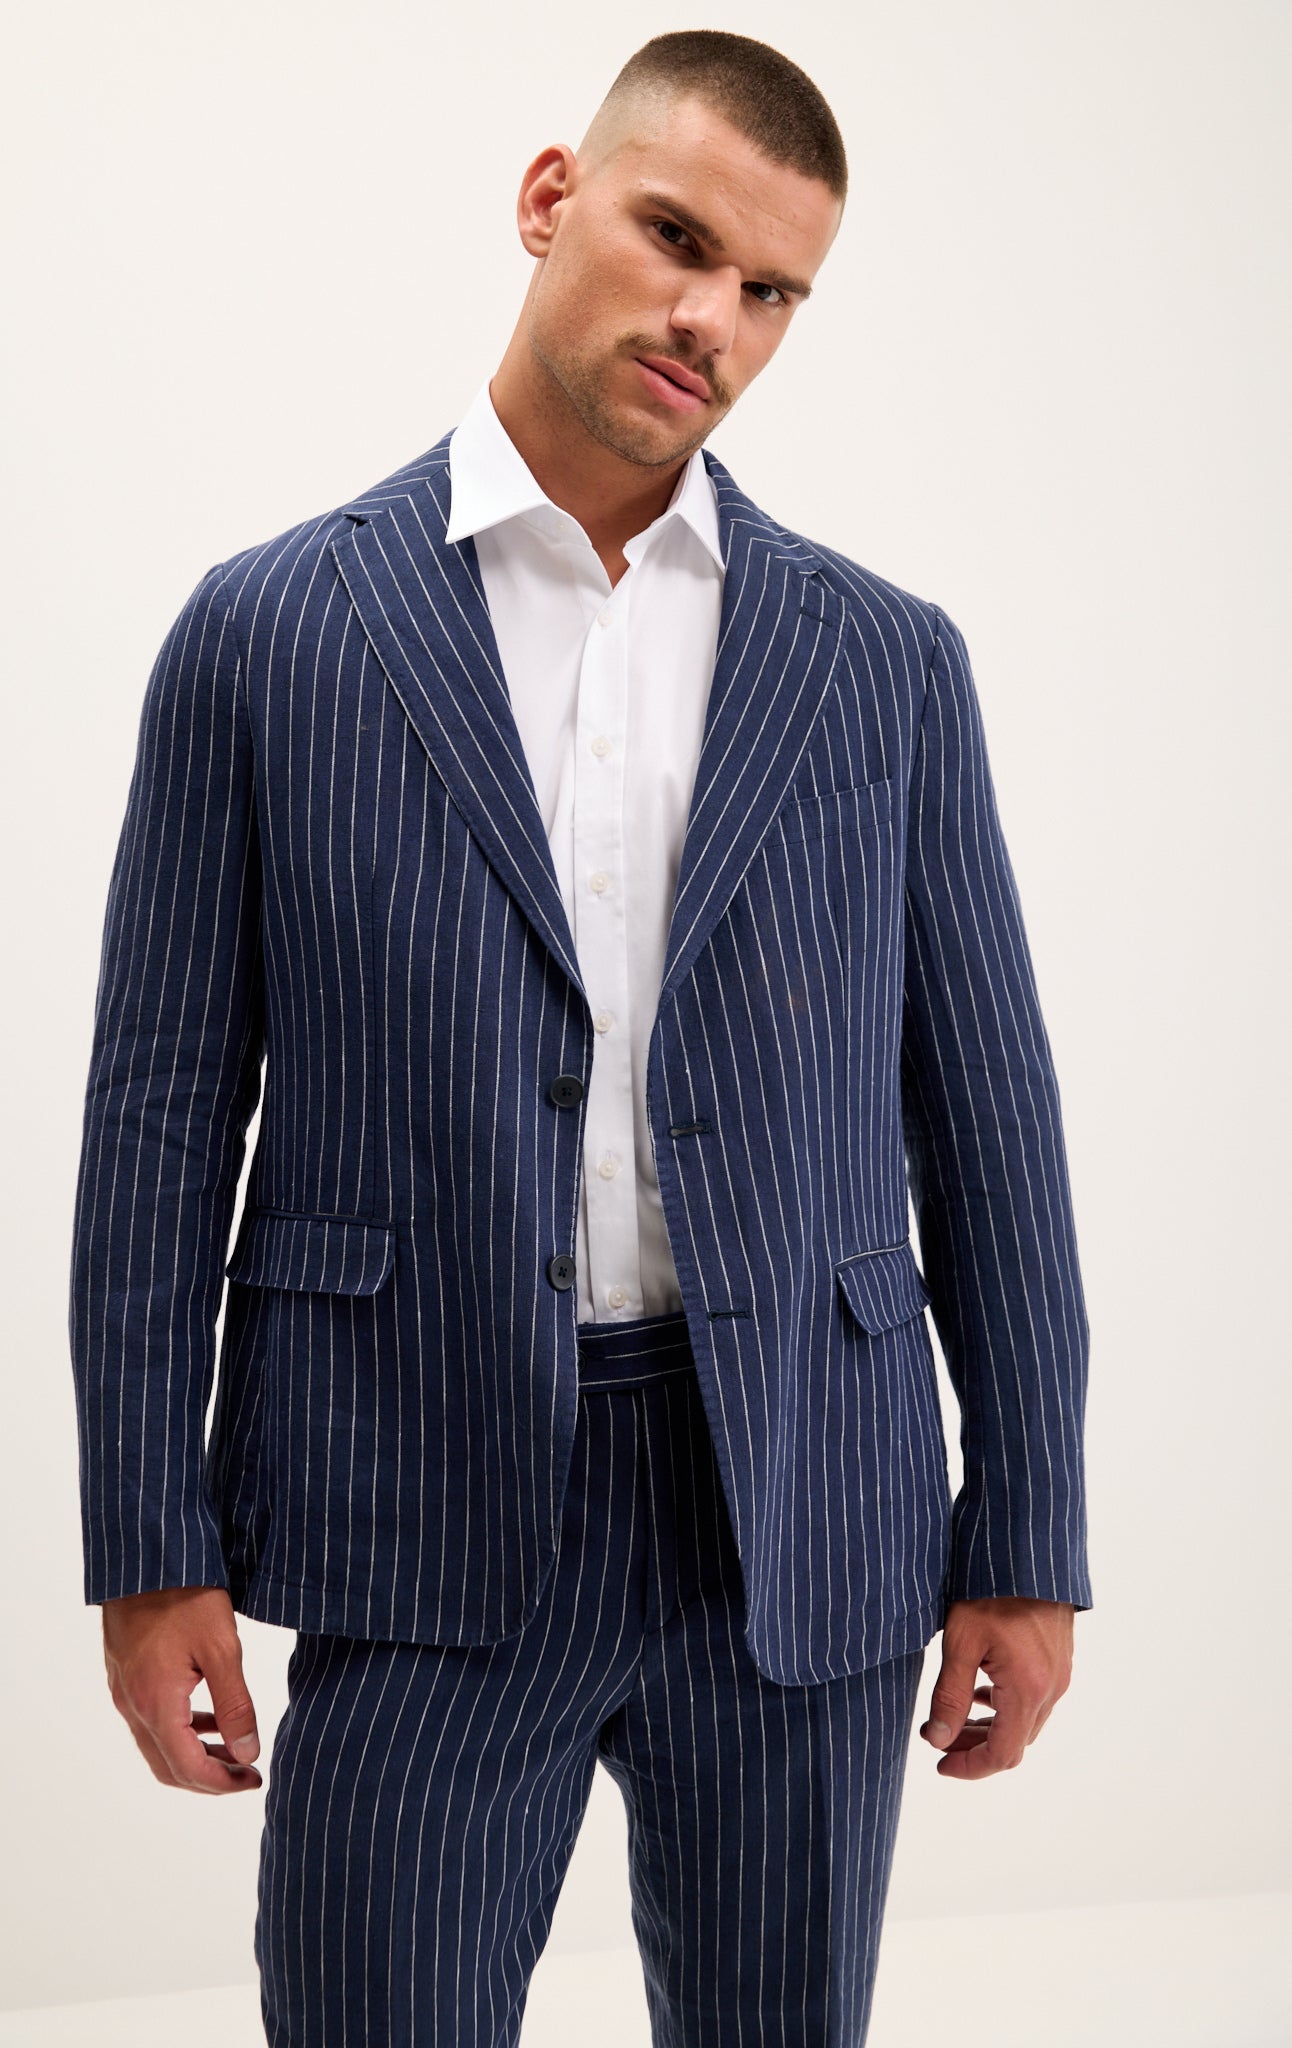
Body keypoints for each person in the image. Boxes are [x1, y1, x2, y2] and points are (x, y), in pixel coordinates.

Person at [68, 28, 1092, 2045]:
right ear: (553, 199)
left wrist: (1032, 1530)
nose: (713, 318)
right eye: (677, 238)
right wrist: (147, 1542)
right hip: (413, 1489)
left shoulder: (882, 662)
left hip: (793, 1500)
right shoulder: (269, 633)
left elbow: (989, 1116)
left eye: (770, 290)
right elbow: (161, 1116)